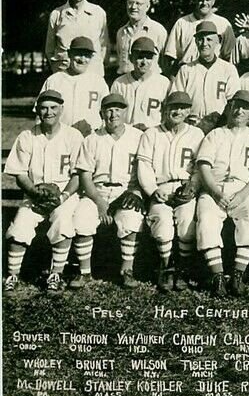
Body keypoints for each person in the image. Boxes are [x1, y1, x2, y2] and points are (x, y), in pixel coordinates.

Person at [3, 91, 83, 292]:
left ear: (61, 110)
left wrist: (63, 196)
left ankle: (56, 274)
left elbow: (78, 175)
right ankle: (12, 276)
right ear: (38, 110)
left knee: (63, 221)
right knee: (19, 226)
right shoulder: (27, 136)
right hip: (34, 194)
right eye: (44, 108)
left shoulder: (73, 136)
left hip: (64, 194)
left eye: (54, 108)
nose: (49, 112)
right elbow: (19, 173)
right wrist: (33, 191)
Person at [195, 91, 249, 297]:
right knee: (206, 218)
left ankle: (237, 276)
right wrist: (216, 193)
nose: (239, 110)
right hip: (214, 188)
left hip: (243, 190)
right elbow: (204, 167)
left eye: (245, 107)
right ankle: (217, 277)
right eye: (236, 105)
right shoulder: (215, 134)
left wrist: (242, 195)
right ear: (230, 106)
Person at [73, 94, 145, 288]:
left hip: (127, 190)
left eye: (118, 109)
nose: (114, 114)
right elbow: (85, 176)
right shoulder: (92, 139)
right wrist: (99, 202)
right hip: (96, 191)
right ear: (101, 113)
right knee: (81, 218)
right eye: (109, 110)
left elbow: (146, 170)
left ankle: (127, 270)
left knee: (131, 219)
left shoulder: (138, 137)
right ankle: (84, 272)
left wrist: (137, 192)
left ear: (125, 112)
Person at [136, 91, 205, 292]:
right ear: (165, 109)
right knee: (162, 225)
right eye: (173, 107)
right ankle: (166, 267)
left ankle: (182, 269)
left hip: (185, 186)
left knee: (186, 226)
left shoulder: (196, 134)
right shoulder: (152, 133)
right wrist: (152, 190)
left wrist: (193, 186)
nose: (177, 111)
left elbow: (200, 167)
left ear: (189, 111)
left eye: (183, 107)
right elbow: (144, 166)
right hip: (162, 186)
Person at [171, 21, 241, 124]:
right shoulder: (186, 69)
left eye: (209, 39)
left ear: (217, 41)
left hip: (219, 124)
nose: (204, 44)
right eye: (201, 39)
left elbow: (233, 101)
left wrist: (222, 121)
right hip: (191, 124)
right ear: (196, 41)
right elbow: (176, 99)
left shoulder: (228, 69)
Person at [46, 0, 108, 76]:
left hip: (91, 75)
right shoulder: (56, 14)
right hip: (64, 75)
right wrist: (58, 70)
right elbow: (49, 50)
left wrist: (95, 68)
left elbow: (104, 47)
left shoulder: (98, 13)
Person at [163, 0, 236, 76]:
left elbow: (230, 57)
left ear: (214, 0)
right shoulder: (182, 23)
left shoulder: (224, 24)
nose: (204, 2)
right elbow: (171, 58)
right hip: (187, 72)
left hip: (215, 74)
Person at [40, 36, 110, 132]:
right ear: (69, 54)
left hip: (91, 135)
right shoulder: (54, 80)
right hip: (61, 136)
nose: (82, 59)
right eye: (78, 54)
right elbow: (40, 114)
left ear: (91, 57)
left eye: (87, 55)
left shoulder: (98, 82)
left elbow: (107, 113)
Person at [110, 37, 172, 130]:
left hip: (154, 134)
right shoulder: (119, 83)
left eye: (148, 57)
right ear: (131, 58)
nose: (144, 62)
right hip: (127, 134)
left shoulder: (164, 83)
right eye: (139, 57)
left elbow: (168, 115)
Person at [115, 0, 168, 75]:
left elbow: (165, 64)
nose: (133, 7)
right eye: (130, 2)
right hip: (125, 84)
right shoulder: (121, 33)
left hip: (150, 84)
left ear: (147, 6)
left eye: (138, 3)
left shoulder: (158, 31)